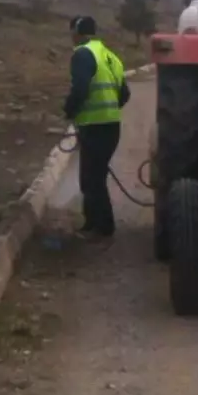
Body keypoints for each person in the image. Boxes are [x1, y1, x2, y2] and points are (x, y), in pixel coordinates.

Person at [63, 14, 130, 241]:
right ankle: (99, 224)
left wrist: (69, 109)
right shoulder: (110, 56)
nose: (71, 37)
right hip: (111, 126)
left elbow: (80, 88)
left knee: (91, 178)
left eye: (72, 32)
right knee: (95, 176)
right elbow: (125, 94)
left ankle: (98, 228)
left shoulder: (83, 54)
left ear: (78, 32)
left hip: (94, 125)